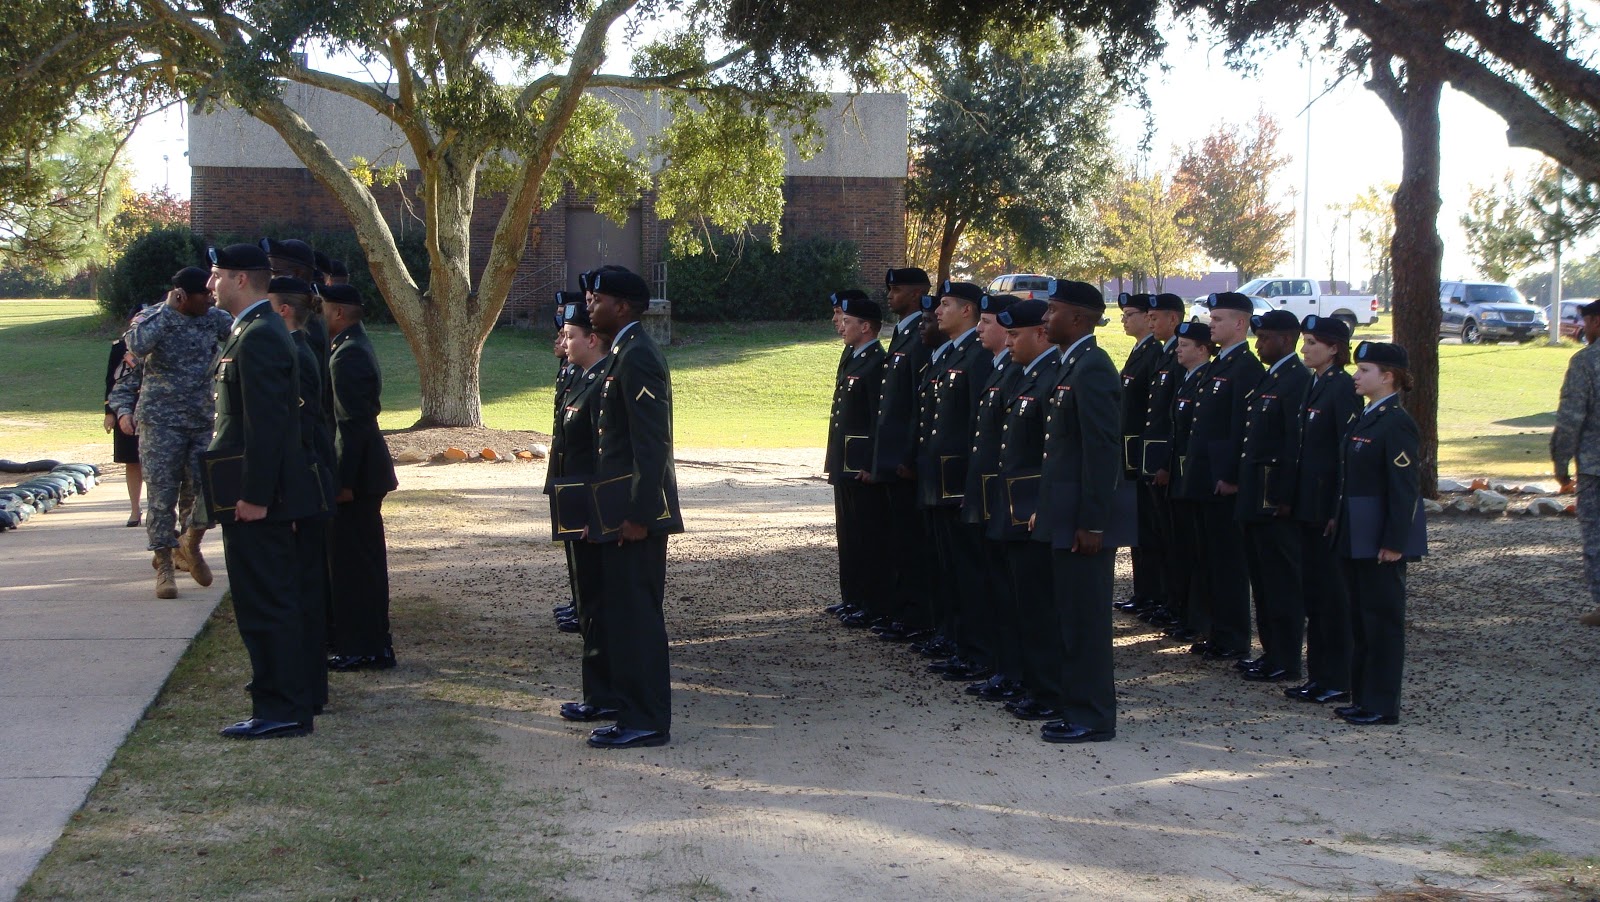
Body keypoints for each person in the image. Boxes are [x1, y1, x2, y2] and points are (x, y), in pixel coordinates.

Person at [205, 243, 321, 739]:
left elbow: (269, 426)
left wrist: (254, 495)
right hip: (251, 495)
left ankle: (283, 709)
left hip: (259, 500)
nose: (210, 285)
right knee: (258, 603)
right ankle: (274, 703)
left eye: (217, 276)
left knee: (268, 602)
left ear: (242, 280)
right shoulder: (250, 331)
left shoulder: (261, 337)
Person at [584, 267, 683, 749]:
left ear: (622, 306)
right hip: (619, 508)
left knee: (638, 616)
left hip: (636, 514)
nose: (588, 303)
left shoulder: (638, 355)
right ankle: (630, 712)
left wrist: (641, 515)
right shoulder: (623, 352)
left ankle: (646, 719)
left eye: (597, 297)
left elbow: (651, 444)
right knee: (622, 614)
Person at [1032, 279, 1123, 744]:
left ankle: (1093, 716)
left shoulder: (1093, 368)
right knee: (1067, 613)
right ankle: (1075, 706)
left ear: (1080, 319)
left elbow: (1102, 452)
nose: (1045, 319)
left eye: (1053, 311)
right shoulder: (1073, 365)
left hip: (1083, 518)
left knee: (1085, 619)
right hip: (1065, 511)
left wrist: (1093, 521)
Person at [109, 265, 233, 598]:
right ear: (181, 295)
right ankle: (164, 564)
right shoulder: (153, 318)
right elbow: (135, 344)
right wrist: (167, 310)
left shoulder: (213, 318)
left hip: (201, 420)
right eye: (203, 294)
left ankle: (189, 544)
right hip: (160, 423)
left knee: (199, 492)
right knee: (162, 498)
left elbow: (239, 334)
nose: (210, 297)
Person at [1334, 341, 1424, 726]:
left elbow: (1402, 489)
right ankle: (1363, 696)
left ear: (1388, 376)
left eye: (1365, 369)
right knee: (1360, 618)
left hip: (1379, 539)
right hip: (1358, 532)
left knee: (1382, 621)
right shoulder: (1367, 415)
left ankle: (1382, 703)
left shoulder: (1396, 422)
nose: (1356, 376)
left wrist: (1394, 542)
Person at [321, 283, 401, 672]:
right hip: (363, 472)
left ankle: (366, 645)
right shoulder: (347, 346)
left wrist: (343, 482)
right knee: (356, 561)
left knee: (356, 565)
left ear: (338, 313)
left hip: (360, 476)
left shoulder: (348, 354)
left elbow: (350, 426)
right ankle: (363, 640)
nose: (317, 313)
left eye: (322, 307)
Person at [1181, 292, 1264, 661]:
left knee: (1228, 562)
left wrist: (1231, 475)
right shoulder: (1218, 365)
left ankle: (1233, 636)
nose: (1210, 324)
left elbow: (1239, 428)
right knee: (1207, 558)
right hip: (1203, 475)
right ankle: (1217, 630)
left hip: (1222, 481)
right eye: (1211, 319)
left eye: (1217, 319)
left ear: (1240, 324)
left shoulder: (1245, 368)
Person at [268, 277, 337, 713]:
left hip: (307, 481)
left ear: (283, 311)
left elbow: (299, 432)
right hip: (309, 477)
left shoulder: (297, 352)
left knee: (304, 589)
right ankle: (305, 684)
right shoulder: (301, 349)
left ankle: (307, 688)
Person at [993, 299, 1063, 718]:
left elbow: (1051, 452)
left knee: (1039, 603)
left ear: (1040, 333)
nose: (1010, 342)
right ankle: (1028, 680)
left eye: (1016, 335)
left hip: (1033, 508)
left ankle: (1046, 688)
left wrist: (1041, 506)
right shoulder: (1026, 375)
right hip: (1015, 507)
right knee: (1021, 599)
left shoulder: (1052, 375)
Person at [921, 280, 993, 683]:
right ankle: (952, 636)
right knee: (946, 563)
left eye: (946, 304)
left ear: (967, 311)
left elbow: (973, 428)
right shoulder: (948, 354)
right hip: (939, 478)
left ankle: (970, 645)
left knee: (965, 566)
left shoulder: (975, 357)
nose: (938, 312)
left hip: (958, 481)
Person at [551, 298, 619, 723]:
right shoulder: (584, 378)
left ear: (592, 340)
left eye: (572, 335)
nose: (564, 340)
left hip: (592, 509)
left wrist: (596, 515)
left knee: (598, 605)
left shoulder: (600, 382)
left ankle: (603, 695)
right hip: (576, 503)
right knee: (590, 604)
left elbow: (603, 456)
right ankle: (597, 693)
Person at [1287, 315, 1361, 703]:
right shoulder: (1315, 385)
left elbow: (1342, 454)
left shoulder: (1341, 388)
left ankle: (1336, 676)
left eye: (1313, 342)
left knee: (1331, 596)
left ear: (1334, 348)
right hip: (1307, 504)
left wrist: (1336, 508)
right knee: (1314, 593)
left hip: (1325, 506)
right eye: (1305, 341)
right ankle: (1319, 675)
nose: (1305, 349)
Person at [1235, 309, 1311, 683]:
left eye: (1265, 338)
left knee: (1281, 581)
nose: (1259, 344)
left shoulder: (1296, 380)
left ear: (1285, 339)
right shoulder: (1273, 377)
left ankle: (1286, 657)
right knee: (1262, 580)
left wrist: (1285, 496)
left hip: (1274, 498)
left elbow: (1293, 444)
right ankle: (1270, 651)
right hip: (1255, 496)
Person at [959, 291, 1022, 699]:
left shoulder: (1014, 372)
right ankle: (998, 663)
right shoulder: (1000, 369)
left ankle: (1008, 667)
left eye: (987, 323)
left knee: (1008, 586)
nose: (980, 329)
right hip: (989, 491)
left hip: (1008, 498)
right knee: (991, 580)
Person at [867, 267, 936, 642]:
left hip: (904, 459)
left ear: (917, 294)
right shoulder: (904, 334)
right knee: (899, 538)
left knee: (911, 541)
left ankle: (916, 614)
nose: (890, 296)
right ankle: (902, 609)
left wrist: (908, 457)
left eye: (896, 290)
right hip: (892, 456)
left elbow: (915, 405)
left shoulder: (919, 337)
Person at [826, 293, 889, 629]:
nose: (841, 326)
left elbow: (879, 418)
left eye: (847, 321)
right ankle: (852, 597)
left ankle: (869, 600)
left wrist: (871, 462)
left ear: (866, 327)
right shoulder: (852, 357)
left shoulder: (876, 361)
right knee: (848, 533)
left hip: (860, 463)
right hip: (845, 461)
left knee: (866, 535)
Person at [1136, 293, 1188, 637]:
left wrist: (1165, 461)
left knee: (1170, 537)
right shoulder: (1160, 353)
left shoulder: (1176, 354)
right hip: (1148, 455)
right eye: (1149, 317)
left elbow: (1172, 419)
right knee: (1154, 531)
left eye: (1156, 317)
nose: (1150, 322)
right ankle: (1160, 598)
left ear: (1173, 319)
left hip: (1165, 458)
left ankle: (1171, 600)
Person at [1163, 321, 1217, 647]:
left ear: (1202, 349)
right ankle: (1186, 614)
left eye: (1184, 345)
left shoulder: (1204, 379)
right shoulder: (1187, 379)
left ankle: (1198, 619)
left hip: (1194, 476)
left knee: (1197, 552)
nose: (1178, 350)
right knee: (1182, 547)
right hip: (1181, 474)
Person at [1116, 293, 1166, 620]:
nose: (1124, 319)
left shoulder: (1154, 354)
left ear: (1148, 317)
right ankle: (1143, 591)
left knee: (1149, 529)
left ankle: (1153, 593)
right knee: (1137, 527)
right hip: (1130, 453)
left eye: (1130, 314)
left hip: (1142, 454)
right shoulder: (1138, 352)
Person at [1551, 298, 1600, 628]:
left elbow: (1571, 417)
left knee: (1596, 536)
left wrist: (1560, 461)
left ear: (1596, 321)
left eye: (1586, 322)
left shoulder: (1586, 362)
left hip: (1595, 467)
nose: (1583, 330)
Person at [104, 324, 143, 527]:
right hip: (126, 408)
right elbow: (112, 380)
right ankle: (135, 510)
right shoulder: (121, 346)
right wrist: (110, 412)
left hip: (156, 409)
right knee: (131, 460)